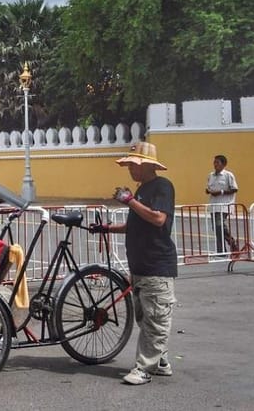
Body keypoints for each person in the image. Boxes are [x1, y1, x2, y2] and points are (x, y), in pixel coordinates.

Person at [89, 141, 177, 385]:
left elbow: (158, 219)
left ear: (148, 165)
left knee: (156, 319)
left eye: (134, 165)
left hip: (157, 266)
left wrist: (129, 201)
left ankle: (144, 368)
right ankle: (160, 361)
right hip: (139, 266)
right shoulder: (142, 190)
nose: (130, 169)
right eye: (129, 165)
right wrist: (106, 228)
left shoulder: (162, 187)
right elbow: (134, 225)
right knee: (145, 318)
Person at [206, 154, 239, 252]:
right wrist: (208, 191)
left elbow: (234, 189)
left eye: (217, 162)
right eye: (214, 162)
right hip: (213, 205)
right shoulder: (210, 175)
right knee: (216, 228)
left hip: (224, 205)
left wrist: (221, 192)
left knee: (219, 225)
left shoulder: (228, 175)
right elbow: (209, 187)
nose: (215, 164)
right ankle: (222, 250)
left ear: (223, 164)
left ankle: (231, 242)